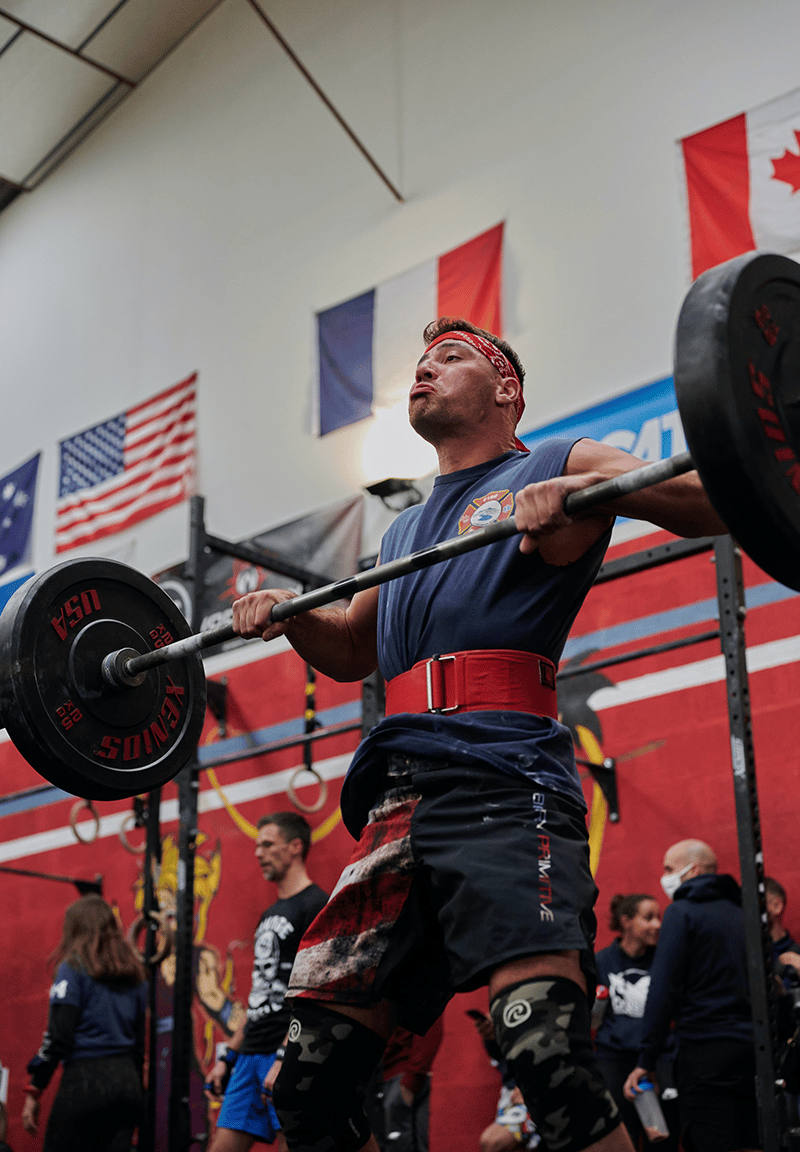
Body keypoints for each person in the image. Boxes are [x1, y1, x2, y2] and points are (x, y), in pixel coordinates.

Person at [233, 317, 725, 1152]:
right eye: (420, 362)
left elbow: (715, 496)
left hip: (504, 781)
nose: (425, 369)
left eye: (449, 357)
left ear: (507, 390)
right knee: (307, 1090)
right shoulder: (401, 533)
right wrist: (284, 620)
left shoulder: (556, 460)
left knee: (545, 1054)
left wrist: (592, 497)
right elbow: (353, 647)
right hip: (397, 802)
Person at [623, 840, 759, 1152]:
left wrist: (647, 1058)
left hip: (704, 1050)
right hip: (754, 1049)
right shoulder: (744, 913)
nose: (665, 877)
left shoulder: (681, 913)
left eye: (669, 869)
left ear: (693, 871)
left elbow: (663, 989)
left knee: (711, 1140)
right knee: (752, 1138)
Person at [206, 812, 327, 1152]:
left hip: (288, 1053)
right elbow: (261, 994)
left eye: (268, 845)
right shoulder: (270, 914)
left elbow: (316, 992)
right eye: (257, 846)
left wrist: (285, 1055)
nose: (258, 853)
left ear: (295, 847)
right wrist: (228, 1054)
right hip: (250, 1055)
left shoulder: (317, 905)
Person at [22, 893, 147, 1152]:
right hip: (126, 1084)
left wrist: (35, 1087)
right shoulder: (135, 974)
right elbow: (139, 1045)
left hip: (86, 1081)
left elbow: (59, 1036)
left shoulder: (73, 967)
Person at [594, 894, 679, 1150]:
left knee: (663, 1138)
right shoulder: (601, 961)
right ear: (626, 921)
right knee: (622, 1138)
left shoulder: (665, 960)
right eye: (648, 918)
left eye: (659, 918)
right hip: (615, 1060)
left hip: (658, 1058)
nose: (657, 925)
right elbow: (592, 1019)